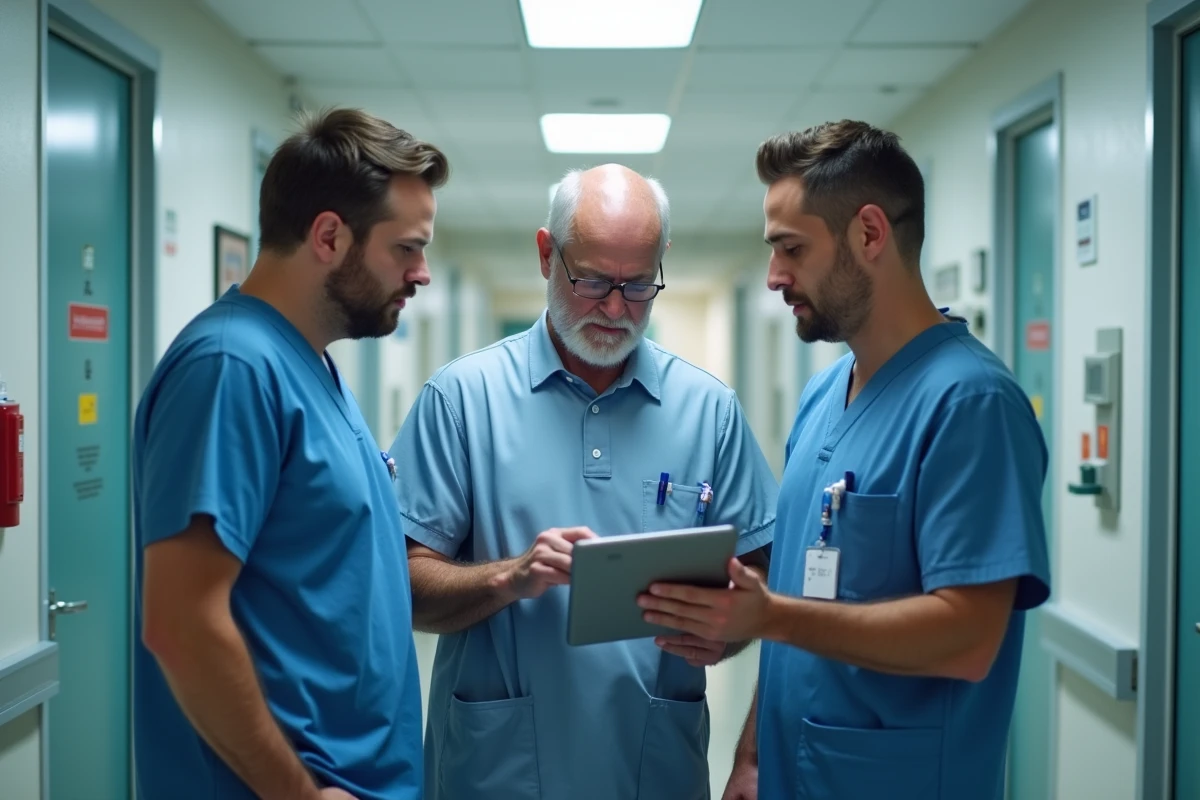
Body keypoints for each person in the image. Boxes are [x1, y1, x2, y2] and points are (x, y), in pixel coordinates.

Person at [636, 120, 1051, 800]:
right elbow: (798, 599)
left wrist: (768, 616)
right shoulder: (826, 394)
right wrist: (752, 754)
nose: (774, 276)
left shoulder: (971, 405)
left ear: (868, 233)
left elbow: (971, 636)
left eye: (791, 249)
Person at [389, 163, 779, 799]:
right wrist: (508, 578)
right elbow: (401, 583)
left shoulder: (710, 412)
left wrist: (727, 628)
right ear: (548, 255)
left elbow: (762, 578)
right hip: (496, 772)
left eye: (639, 284)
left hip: (653, 767)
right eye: (593, 280)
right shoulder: (462, 399)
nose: (617, 307)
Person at [131, 107, 449, 800]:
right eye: (407, 248)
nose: (422, 274)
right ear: (330, 236)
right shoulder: (231, 369)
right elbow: (181, 623)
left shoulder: (312, 368)